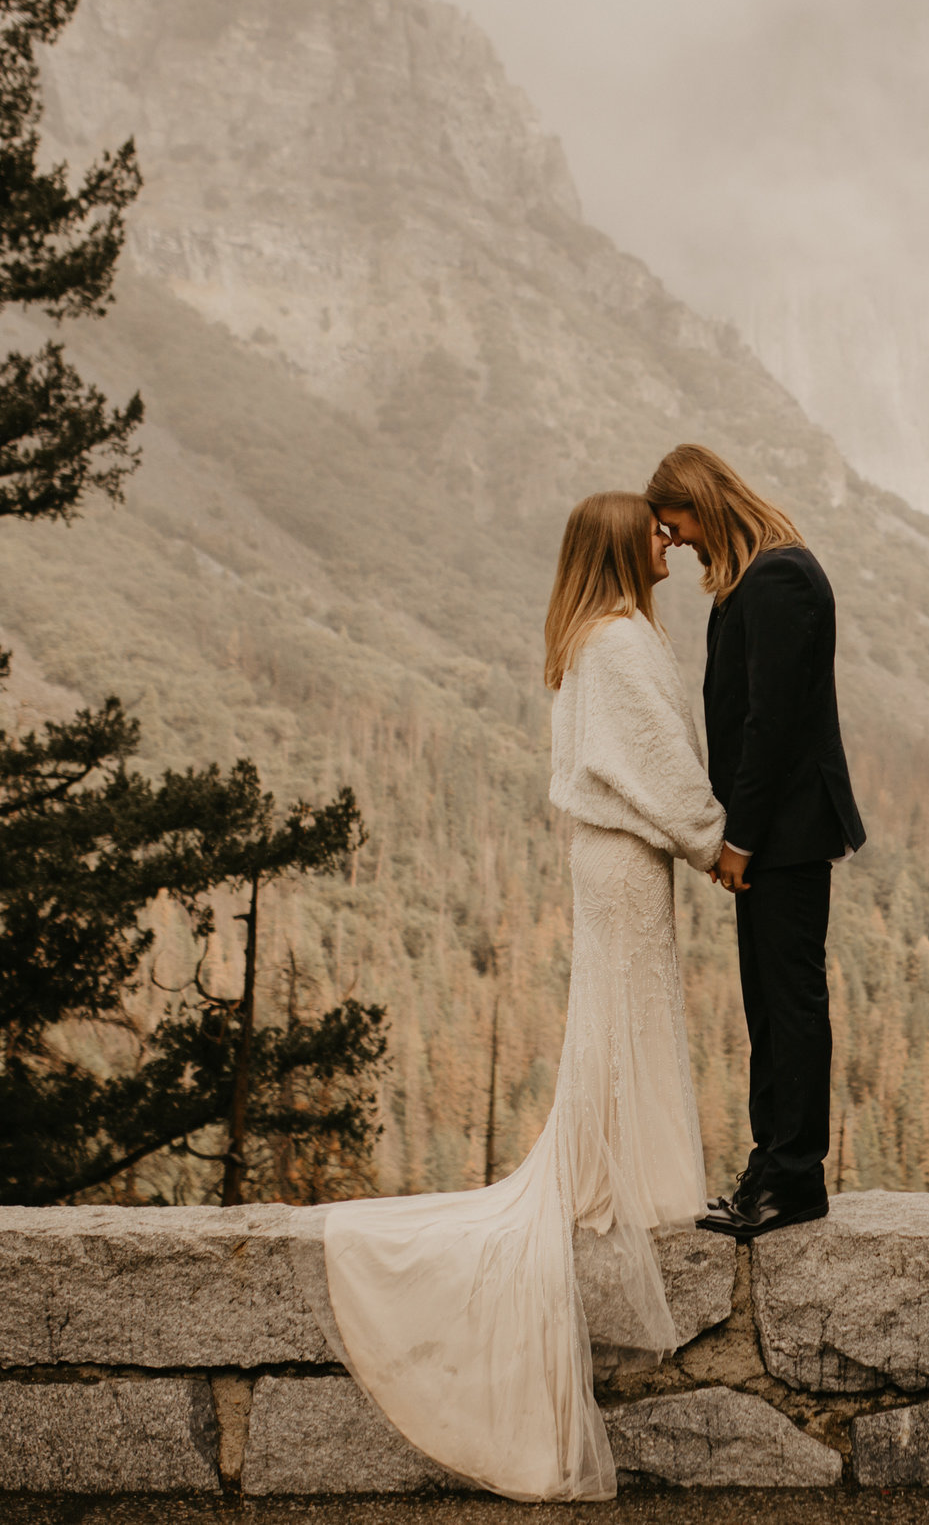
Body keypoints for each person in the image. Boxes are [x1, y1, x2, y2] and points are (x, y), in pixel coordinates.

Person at [318, 491, 725, 1502]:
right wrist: (719, 840)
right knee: (631, 1009)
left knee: (619, 1010)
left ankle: (617, 1168)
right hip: (628, 855)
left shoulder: (587, 633)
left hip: (609, 854)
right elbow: (658, 765)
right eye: (656, 535)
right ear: (623, 548)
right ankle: (619, 1176)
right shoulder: (621, 638)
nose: (669, 545)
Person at [646, 444, 865, 1240]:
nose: (676, 544)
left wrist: (736, 838)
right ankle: (771, 1162)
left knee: (792, 1002)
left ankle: (796, 1177)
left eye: (675, 527)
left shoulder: (777, 577)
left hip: (786, 830)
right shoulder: (754, 576)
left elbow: (770, 722)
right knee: (769, 1005)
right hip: (771, 830)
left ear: (702, 503)